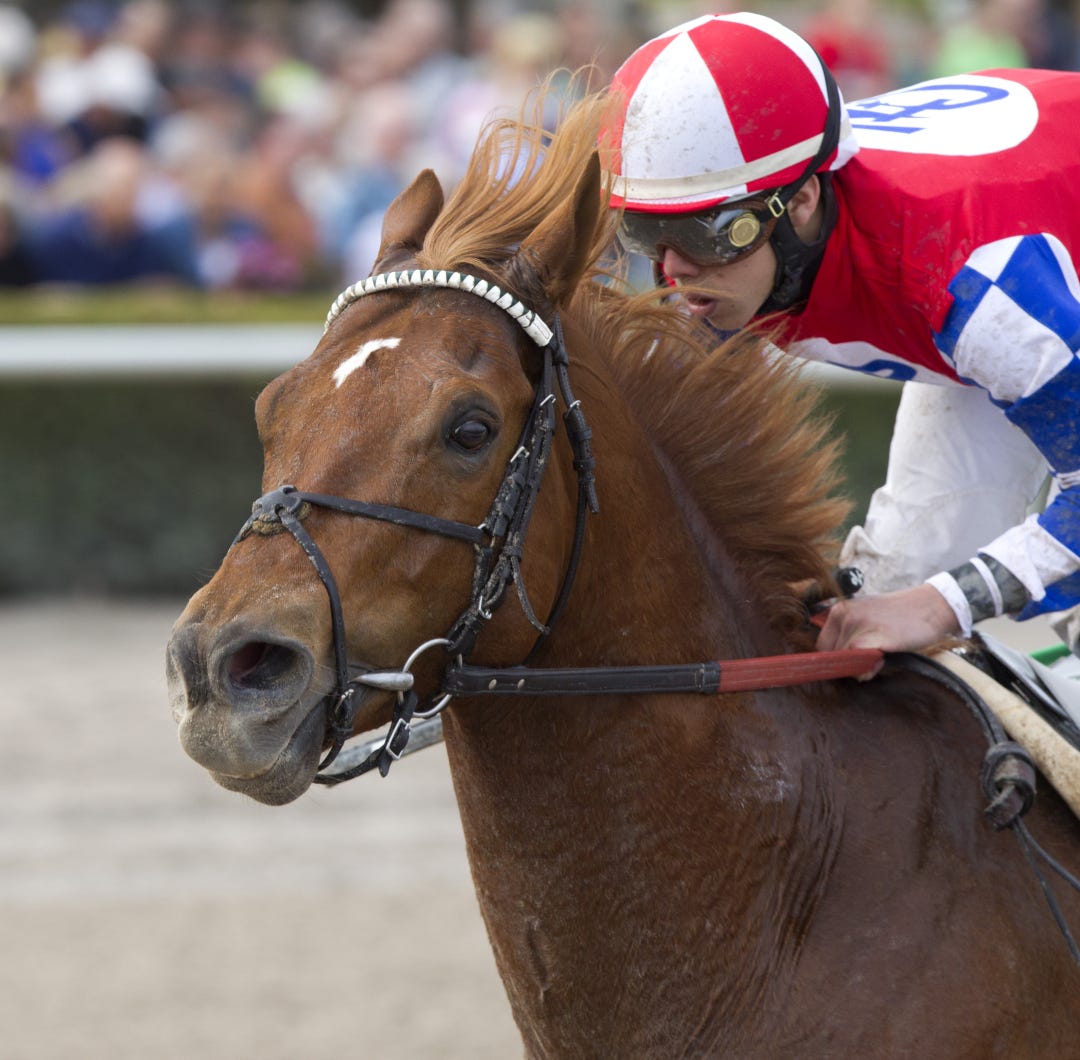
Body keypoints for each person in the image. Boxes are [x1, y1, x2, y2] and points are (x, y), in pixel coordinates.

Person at [599, 11, 1080, 663]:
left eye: (702, 233)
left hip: (1011, 270)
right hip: (1009, 269)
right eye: (645, 232)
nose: (674, 271)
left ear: (802, 201)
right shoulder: (741, 235)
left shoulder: (971, 281)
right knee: (889, 591)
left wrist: (939, 605)